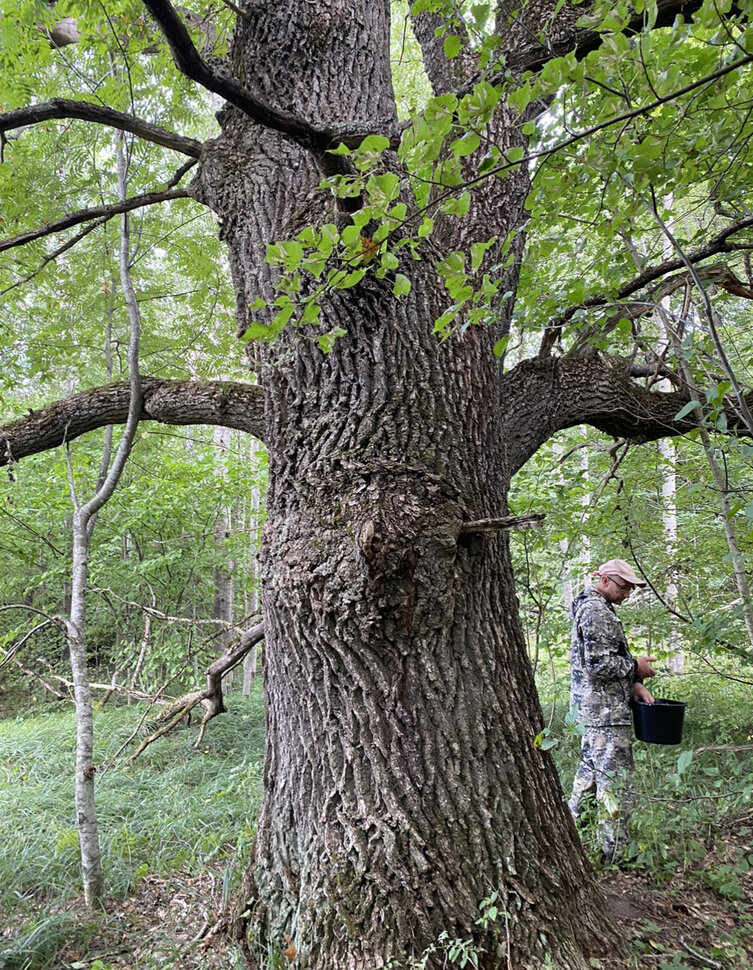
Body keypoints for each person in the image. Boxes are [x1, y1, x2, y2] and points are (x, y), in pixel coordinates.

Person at [568, 558, 656, 863]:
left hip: (597, 713)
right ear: (604, 580)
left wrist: (633, 684)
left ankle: (572, 844)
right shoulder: (594, 611)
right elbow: (598, 664)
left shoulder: (597, 607)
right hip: (604, 717)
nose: (628, 594)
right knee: (616, 784)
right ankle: (615, 855)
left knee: (588, 782)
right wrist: (636, 667)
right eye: (624, 587)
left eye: (631, 589)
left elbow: (600, 662)